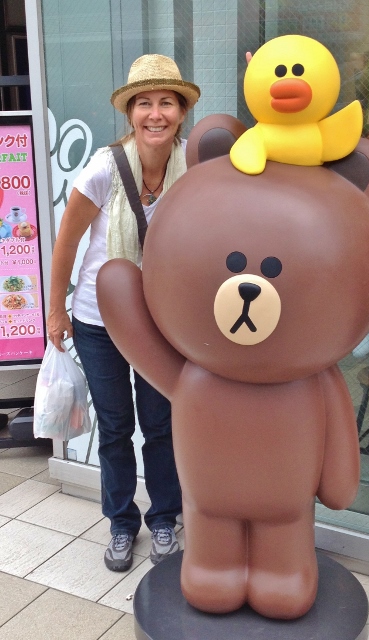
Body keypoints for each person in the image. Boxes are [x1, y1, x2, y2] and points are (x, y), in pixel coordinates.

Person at [46, 54, 200, 572]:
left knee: (161, 424)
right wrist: (55, 311)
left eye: (166, 103)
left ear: (181, 112)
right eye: (144, 104)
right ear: (130, 113)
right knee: (114, 427)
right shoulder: (104, 169)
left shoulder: (194, 167)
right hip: (99, 319)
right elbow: (67, 243)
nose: (155, 114)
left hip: (163, 321)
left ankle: (164, 517)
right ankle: (120, 521)